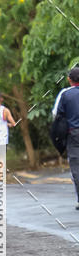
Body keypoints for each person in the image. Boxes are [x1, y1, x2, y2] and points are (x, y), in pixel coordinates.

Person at [52, 66, 79, 209]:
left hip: (73, 133)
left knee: (76, 166)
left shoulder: (65, 94)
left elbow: (56, 115)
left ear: (69, 80)